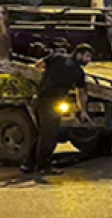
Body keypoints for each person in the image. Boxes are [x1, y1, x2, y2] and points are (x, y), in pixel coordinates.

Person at [22, 43, 94, 175]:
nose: (88, 60)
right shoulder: (78, 72)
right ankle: (43, 166)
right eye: (87, 56)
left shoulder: (57, 57)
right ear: (79, 54)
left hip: (38, 100)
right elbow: (81, 93)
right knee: (49, 136)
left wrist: (48, 78)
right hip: (52, 103)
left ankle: (28, 164)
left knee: (41, 134)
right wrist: (83, 111)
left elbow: (39, 65)